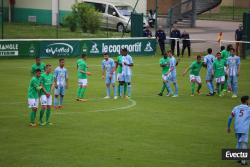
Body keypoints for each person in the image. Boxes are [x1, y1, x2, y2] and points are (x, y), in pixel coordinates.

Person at [227, 96, 250, 165]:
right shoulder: (249, 109)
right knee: (244, 143)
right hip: (244, 129)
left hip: (237, 128)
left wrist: (228, 127)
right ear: (246, 101)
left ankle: (238, 158)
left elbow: (230, 118)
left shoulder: (236, 108)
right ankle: (243, 161)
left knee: (239, 143)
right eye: (249, 100)